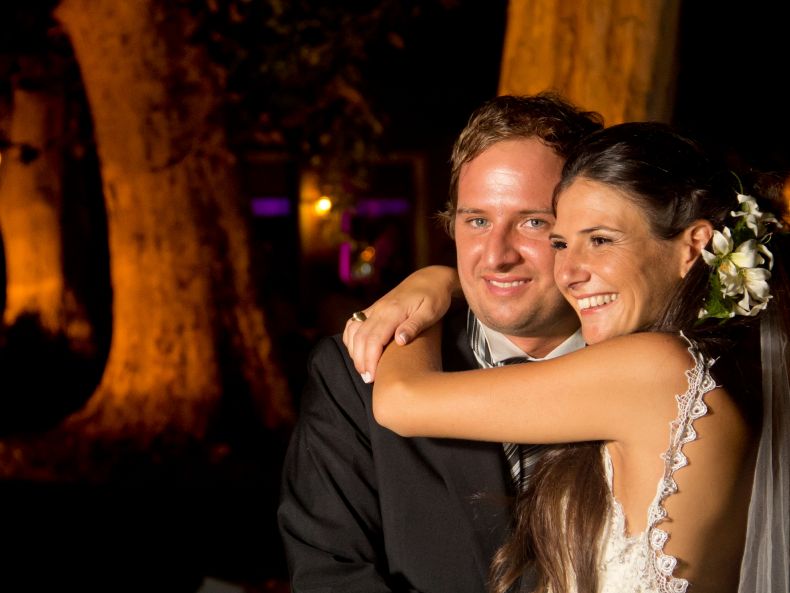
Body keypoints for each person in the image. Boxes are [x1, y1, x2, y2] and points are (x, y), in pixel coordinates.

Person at [353, 122, 789, 593]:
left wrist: (432, 284)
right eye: (561, 243)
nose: (570, 272)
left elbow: (400, 400)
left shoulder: (657, 370)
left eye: (601, 240)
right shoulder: (713, 369)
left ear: (694, 246)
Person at [277, 92, 604, 592]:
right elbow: (329, 574)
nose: (495, 255)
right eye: (477, 221)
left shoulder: (660, 372)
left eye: (534, 222)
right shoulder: (356, 372)